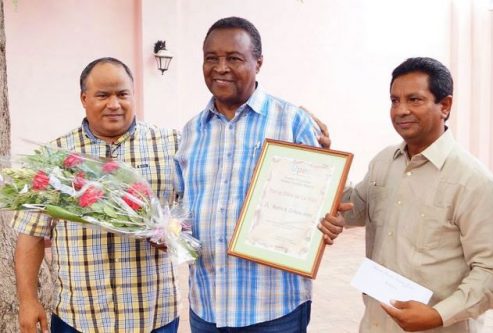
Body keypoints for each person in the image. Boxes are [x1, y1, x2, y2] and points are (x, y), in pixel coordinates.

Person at [174, 17, 349, 332]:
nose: (221, 67)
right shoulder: (190, 133)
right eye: (211, 58)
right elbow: (184, 208)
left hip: (274, 309)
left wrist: (327, 222)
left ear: (259, 63)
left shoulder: (292, 123)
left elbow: (319, 201)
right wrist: (170, 232)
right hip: (206, 306)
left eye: (234, 58)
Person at [12, 57, 181, 333]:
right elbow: (30, 234)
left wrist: (174, 235)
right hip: (79, 318)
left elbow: (194, 217)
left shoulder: (171, 145)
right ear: (84, 98)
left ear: (133, 95)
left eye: (122, 94)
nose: (114, 104)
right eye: (103, 95)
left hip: (154, 317)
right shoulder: (56, 157)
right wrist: (28, 300)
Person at [344, 57, 493, 332]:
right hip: (376, 323)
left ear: (445, 106)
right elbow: (353, 210)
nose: (400, 110)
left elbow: (491, 272)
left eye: (414, 100)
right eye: (394, 100)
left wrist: (438, 315)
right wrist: (321, 161)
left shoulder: (474, 181)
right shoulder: (384, 162)